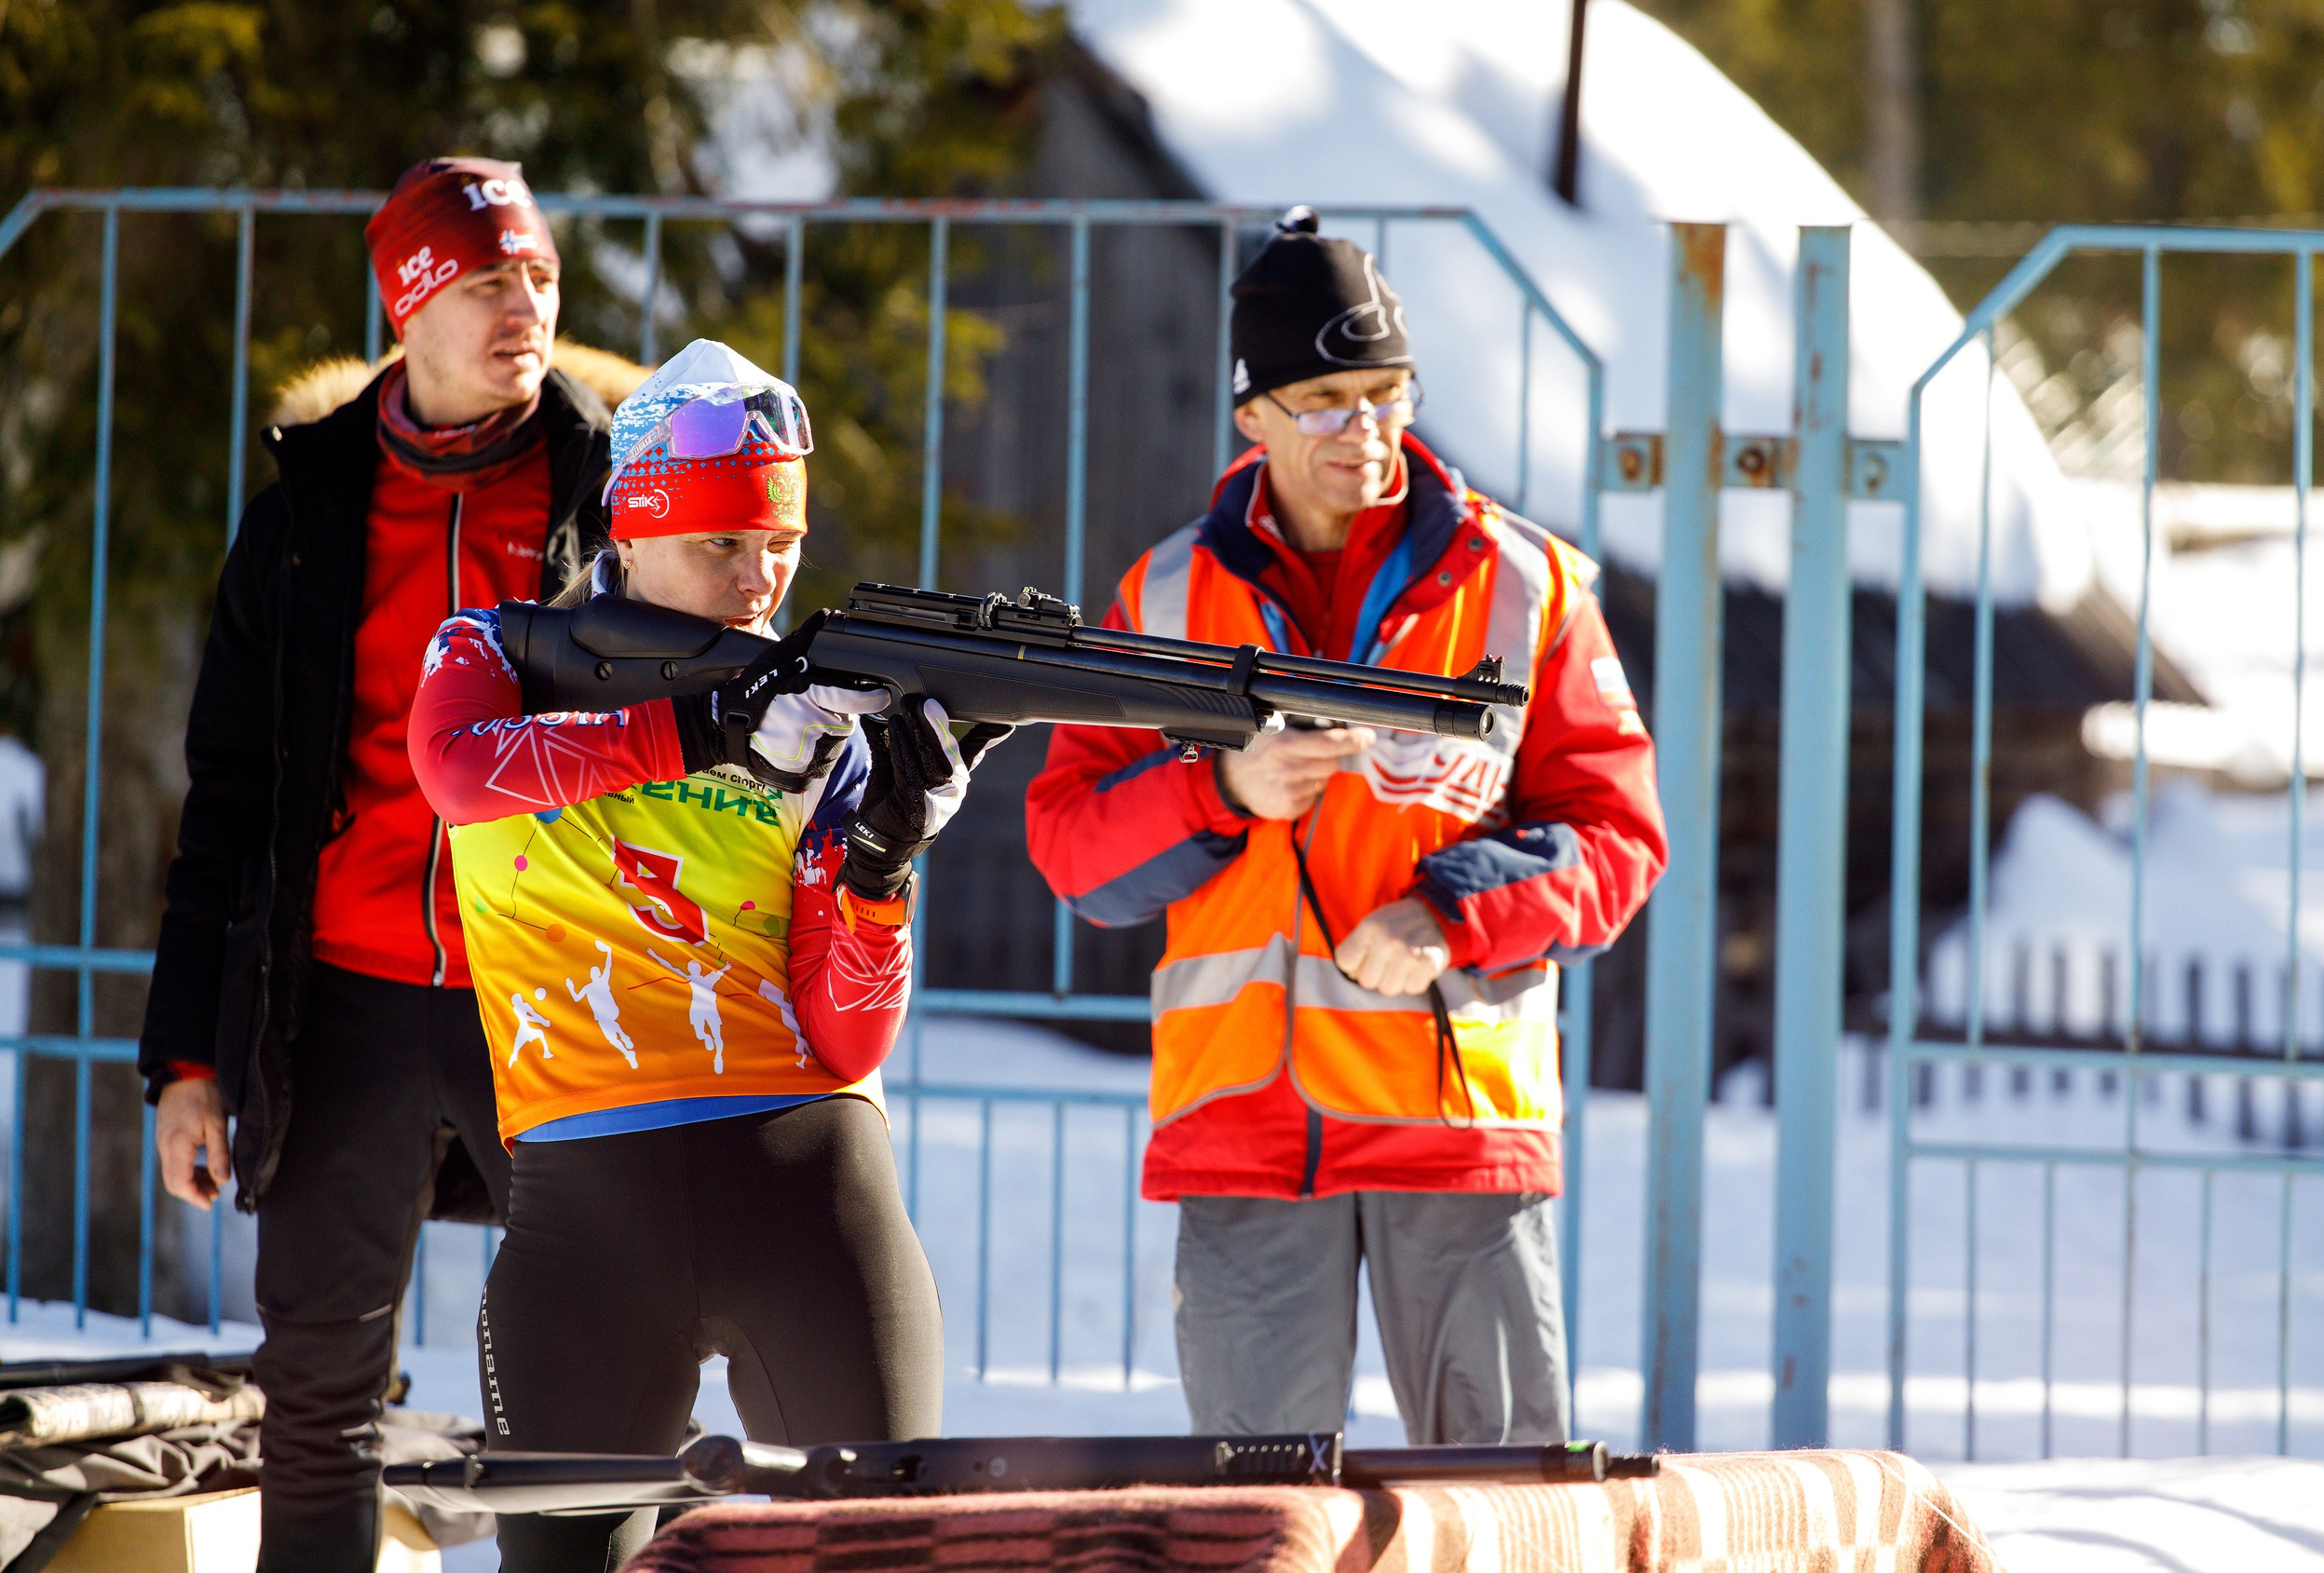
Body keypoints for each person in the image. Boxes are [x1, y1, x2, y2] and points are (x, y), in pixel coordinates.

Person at [1026, 212, 1667, 1444]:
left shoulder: (1528, 585)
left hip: (1459, 1128)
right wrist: (1223, 793)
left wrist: (1451, 909)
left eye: (1385, 392)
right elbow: (1072, 845)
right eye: (1324, 400)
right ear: (1251, 414)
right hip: (1240, 1131)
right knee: (1256, 1525)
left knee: (1502, 1518)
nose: (1365, 429)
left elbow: (1619, 835)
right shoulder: (1161, 596)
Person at [410, 339, 999, 1571]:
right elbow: (455, 771)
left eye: (777, 543)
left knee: (887, 1556)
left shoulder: (825, 721)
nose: (757, 577)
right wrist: (701, 725)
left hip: (814, 1191)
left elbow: (846, 1031)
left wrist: (883, 860)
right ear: (629, 531)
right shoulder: (495, 655)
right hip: (582, 1219)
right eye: (720, 543)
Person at [138, 157, 612, 1572]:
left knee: (594, 1372)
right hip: (337, 993)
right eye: (483, 283)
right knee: (320, 1392)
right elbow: (224, 797)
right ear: (409, 310)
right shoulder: (302, 518)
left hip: (549, 991)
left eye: (537, 276)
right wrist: (185, 1058)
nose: (522, 305)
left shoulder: (614, 490)